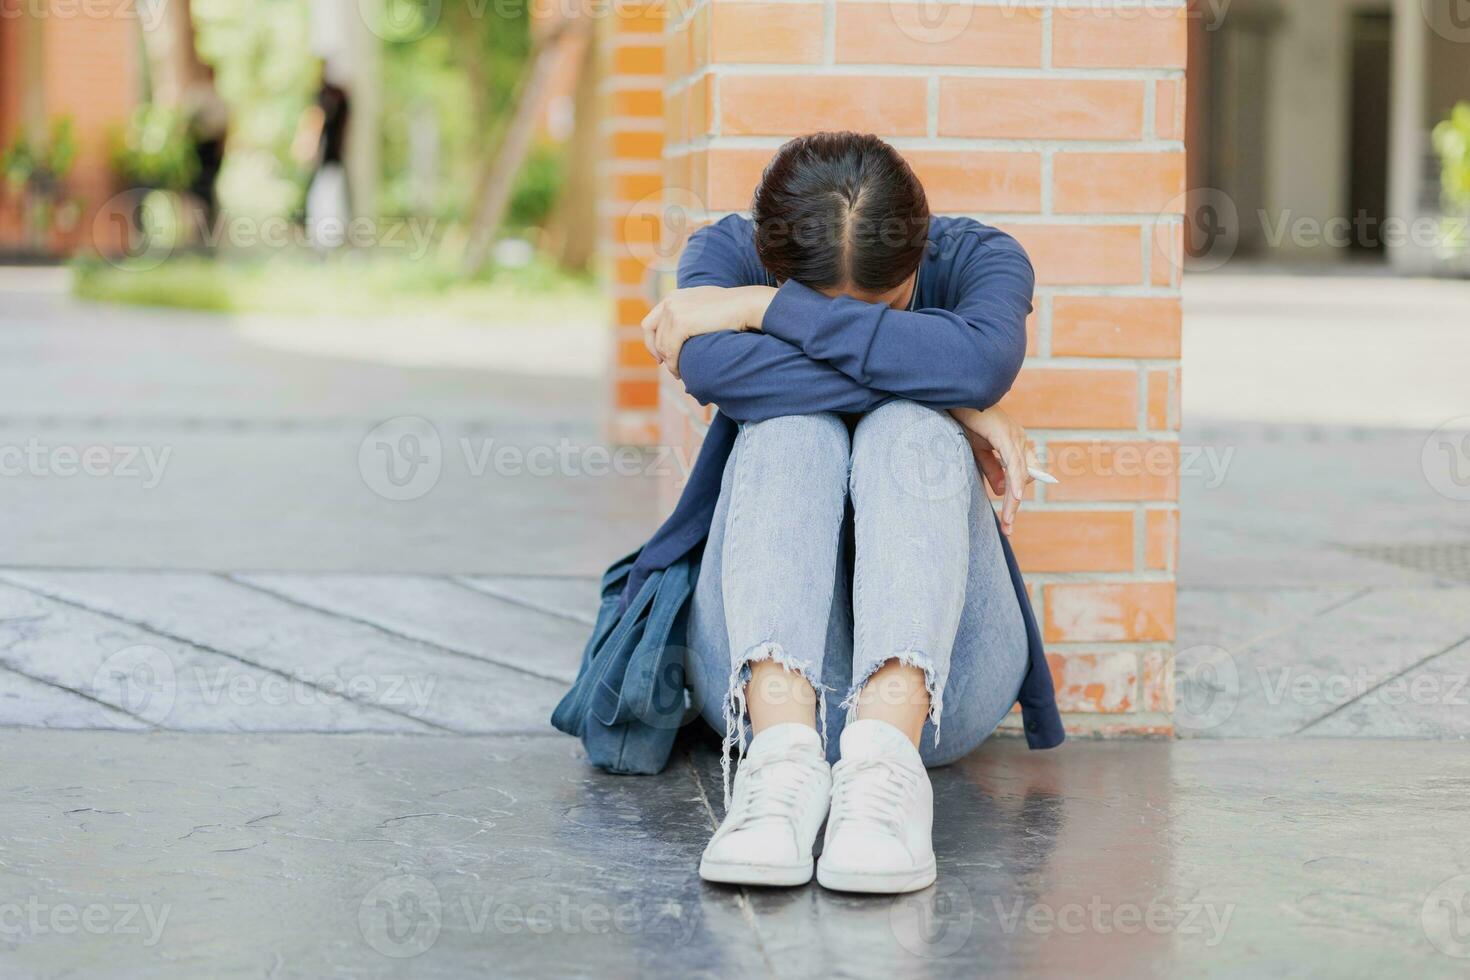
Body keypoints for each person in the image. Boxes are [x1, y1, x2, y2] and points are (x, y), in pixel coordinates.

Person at [634, 131, 1062, 894]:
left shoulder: (982, 259)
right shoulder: (725, 255)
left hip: (943, 693)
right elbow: (714, 369)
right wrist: (952, 393)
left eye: (885, 309)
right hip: (750, 688)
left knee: (910, 430)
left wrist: (768, 311)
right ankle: (778, 776)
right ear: (770, 256)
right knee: (791, 428)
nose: (851, 330)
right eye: (809, 302)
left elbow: (980, 362)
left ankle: (882, 782)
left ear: (918, 252)